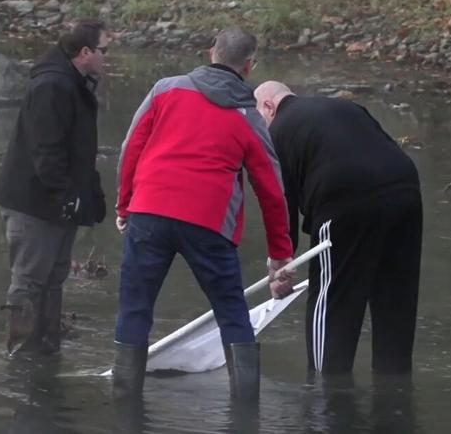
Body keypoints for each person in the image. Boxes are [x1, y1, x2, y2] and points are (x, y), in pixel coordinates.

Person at [112, 28, 294, 400]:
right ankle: (246, 413)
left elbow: (132, 147)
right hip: (209, 223)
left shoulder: (166, 89)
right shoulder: (248, 115)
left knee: (135, 308)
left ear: (211, 52)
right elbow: (271, 189)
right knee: (232, 314)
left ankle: (123, 404)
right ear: (249, 66)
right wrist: (280, 253)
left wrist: (124, 204)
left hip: (149, 211)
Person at [253, 81, 423, 375]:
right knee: (395, 299)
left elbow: (280, 204)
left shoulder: (278, 131)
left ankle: (324, 390)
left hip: (345, 201)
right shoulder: (346, 107)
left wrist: (280, 267)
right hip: (405, 193)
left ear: (269, 107)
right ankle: (394, 391)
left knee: (332, 301)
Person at [0, 19, 110, 356]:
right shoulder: (52, 86)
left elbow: (79, 150)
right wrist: (66, 197)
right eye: (104, 50)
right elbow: (46, 149)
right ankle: (21, 355)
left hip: (57, 201)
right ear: (85, 52)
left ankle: (45, 348)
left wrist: (89, 195)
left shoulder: (74, 83)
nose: (107, 57)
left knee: (54, 275)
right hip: (33, 202)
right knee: (29, 279)